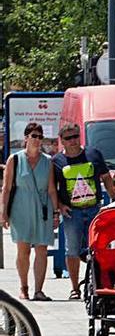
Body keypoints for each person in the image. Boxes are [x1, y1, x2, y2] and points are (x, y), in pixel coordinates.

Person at [52, 124, 115, 300]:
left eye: (75, 136)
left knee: (99, 248)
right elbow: (52, 188)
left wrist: (114, 201)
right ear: (62, 141)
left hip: (94, 209)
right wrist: (59, 206)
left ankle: (100, 284)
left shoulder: (93, 154)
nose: (73, 141)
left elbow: (106, 177)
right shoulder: (57, 161)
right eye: (68, 138)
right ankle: (74, 288)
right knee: (71, 250)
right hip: (72, 213)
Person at [0, 123, 61, 301]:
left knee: (41, 249)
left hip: (42, 206)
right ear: (26, 138)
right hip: (20, 207)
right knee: (23, 249)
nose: (37, 140)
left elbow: (51, 189)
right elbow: (7, 188)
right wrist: (3, 212)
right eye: (34, 136)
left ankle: (39, 290)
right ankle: (24, 286)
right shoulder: (15, 159)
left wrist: (55, 212)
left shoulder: (47, 161)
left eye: (40, 136)